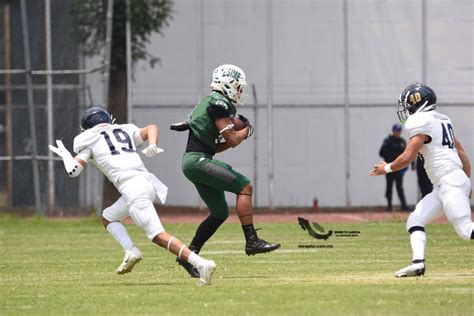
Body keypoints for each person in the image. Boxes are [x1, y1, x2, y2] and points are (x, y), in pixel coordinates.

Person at [48, 107, 216, 286]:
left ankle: (201, 263)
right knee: (108, 217)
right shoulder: (123, 130)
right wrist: (152, 144)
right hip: (146, 184)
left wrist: (66, 156)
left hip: (133, 189)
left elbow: (74, 170)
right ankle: (130, 250)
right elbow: (152, 127)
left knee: (157, 235)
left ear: (86, 128)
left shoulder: (89, 140)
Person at [171, 64, 280, 278]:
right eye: (238, 87)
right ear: (227, 84)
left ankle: (188, 255)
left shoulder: (211, 102)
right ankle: (251, 241)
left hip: (194, 161)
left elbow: (216, 146)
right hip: (198, 161)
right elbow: (232, 140)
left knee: (220, 212)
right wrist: (246, 131)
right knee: (244, 185)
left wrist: (236, 132)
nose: (240, 91)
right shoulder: (218, 102)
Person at [370, 83, 472, 277]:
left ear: (418, 103)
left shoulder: (421, 121)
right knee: (415, 219)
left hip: (449, 182)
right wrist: (465, 181)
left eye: (408, 103)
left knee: (466, 230)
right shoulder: (443, 120)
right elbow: (461, 151)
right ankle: (418, 264)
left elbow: (408, 157)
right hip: (445, 184)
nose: (407, 108)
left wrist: (387, 168)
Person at [379, 123, 409, 211]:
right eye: (396, 131)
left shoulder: (402, 141)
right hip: (389, 167)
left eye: (399, 131)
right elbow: (381, 153)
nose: (398, 132)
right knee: (389, 186)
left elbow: (407, 154)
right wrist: (388, 155)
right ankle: (389, 205)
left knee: (399, 186)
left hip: (399, 168)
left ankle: (404, 205)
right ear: (393, 131)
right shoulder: (388, 140)